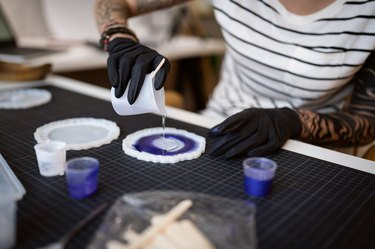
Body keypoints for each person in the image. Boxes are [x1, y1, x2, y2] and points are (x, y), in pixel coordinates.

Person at [94, 0, 375, 159]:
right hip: (220, 127)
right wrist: (118, 38)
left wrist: (292, 122)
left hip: (314, 149)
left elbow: (367, 123)